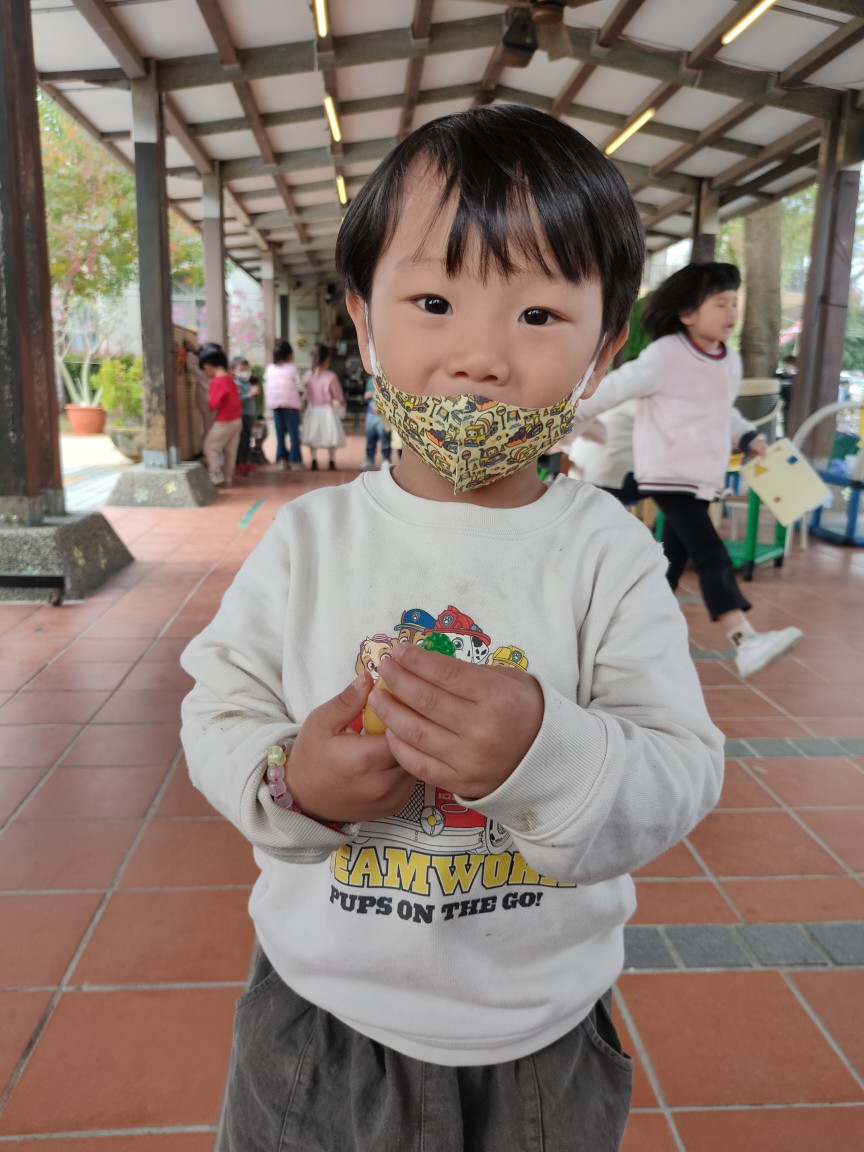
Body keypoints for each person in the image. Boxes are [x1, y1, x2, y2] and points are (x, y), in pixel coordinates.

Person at [180, 105, 724, 1152]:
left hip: (541, 1041)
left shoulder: (607, 554)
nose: (480, 356)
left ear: (603, 352)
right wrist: (292, 783)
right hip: (318, 1022)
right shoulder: (308, 541)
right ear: (364, 320)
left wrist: (542, 754)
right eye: (433, 302)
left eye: (539, 315)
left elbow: (682, 768)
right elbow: (220, 707)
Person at [573, 262, 803, 679]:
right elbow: (609, 392)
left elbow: (723, 412)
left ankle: (629, 641)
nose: (731, 312)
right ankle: (744, 639)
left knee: (671, 563)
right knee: (711, 552)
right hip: (668, 474)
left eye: (734, 303)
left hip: (703, 478)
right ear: (687, 313)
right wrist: (559, 422)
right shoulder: (665, 356)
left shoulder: (728, 361)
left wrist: (749, 437)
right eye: (720, 303)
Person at [567, 399, 640, 503]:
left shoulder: (590, 404)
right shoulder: (633, 401)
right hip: (615, 483)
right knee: (660, 482)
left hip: (579, 482)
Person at [199, 343, 241, 488]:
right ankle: (228, 477)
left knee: (210, 447)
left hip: (224, 421)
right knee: (230, 451)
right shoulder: (230, 379)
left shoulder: (217, 382)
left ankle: (215, 474)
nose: (205, 372)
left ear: (208, 366)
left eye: (204, 369)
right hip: (236, 420)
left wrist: (208, 399)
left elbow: (213, 404)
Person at [300, 342, 346, 470]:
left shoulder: (308, 375)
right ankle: (331, 461)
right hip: (328, 411)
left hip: (312, 409)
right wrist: (340, 402)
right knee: (330, 435)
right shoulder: (331, 376)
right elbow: (338, 395)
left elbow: (302, 391)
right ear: (326, 359)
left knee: (313, 435)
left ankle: (314, 460)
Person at [263, 339, 303, 471]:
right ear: (289, 355)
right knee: (293, 435)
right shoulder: (293, 369)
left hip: (275, 406)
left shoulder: (269, 369)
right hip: (291, 406)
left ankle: (282, 460)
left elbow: (266, 386)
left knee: (280, 434)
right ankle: (295, 461)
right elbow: (300, 386)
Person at [231, 356, 260, 476]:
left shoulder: (248, 383)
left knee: (248, 439)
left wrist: (255, 417)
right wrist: (249, 394)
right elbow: (237, 400)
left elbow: (252, 403)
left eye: (246, 369)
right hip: (241, 415)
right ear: (233, 370)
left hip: (249, 416)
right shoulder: (236, 384)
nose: (245, 372)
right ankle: (240, 463)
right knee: (242, 440)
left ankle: (245, 462)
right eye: (241, 369)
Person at [362, 372, 391, 469]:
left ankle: (386, 460)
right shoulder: (369, 381)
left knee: (385, 437)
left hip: (382, 414)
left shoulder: (386, 379)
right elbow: (366, 394)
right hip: (371, 413)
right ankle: (369, 460)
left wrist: (381, 407)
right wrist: (367, 395)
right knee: (370, 436)